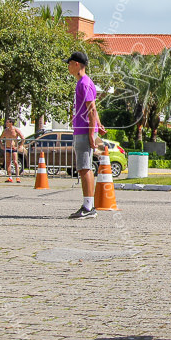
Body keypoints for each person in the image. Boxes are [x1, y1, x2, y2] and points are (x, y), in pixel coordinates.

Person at [67, 50, 99, 219]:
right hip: (82, 129)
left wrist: (91, 134)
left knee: (85, 168)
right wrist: (98, 126)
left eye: (69, 63)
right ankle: (88, 205)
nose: (68, 66)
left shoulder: (84, 83)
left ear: (77, 64)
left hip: (83, 130)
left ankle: (88, 207)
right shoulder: (83, 83)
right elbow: (93, 108)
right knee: (84, 168)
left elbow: (91, 109)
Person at [0, 118, 24, 183]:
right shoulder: (5, 131)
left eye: (7, 122)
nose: (6, 123)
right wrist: (2, 145)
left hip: (14, 148)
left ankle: (17, 177)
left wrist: (20, 146)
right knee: (8, 162)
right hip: (7, 147)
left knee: (15, 162)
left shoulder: (16, 130)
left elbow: (23, 138)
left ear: (11, 123)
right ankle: (10, 177)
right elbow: (0, 138)